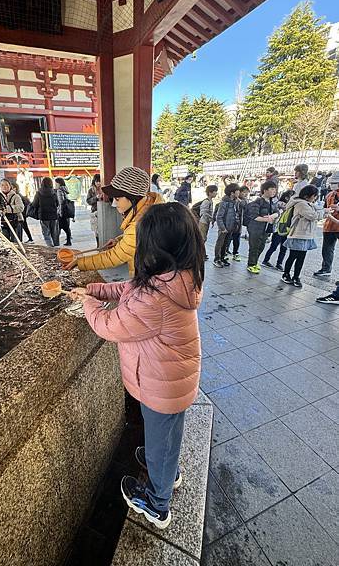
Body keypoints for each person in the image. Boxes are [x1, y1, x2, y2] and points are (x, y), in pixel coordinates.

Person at [69, 202, 204, 529]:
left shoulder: (156, 298)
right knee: (169, 433)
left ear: (154, 247)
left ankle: (158, 503)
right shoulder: (176, 275)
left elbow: (110, 325)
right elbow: (128, 289)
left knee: (160, 442)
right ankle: (166, 472)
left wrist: (89, 303)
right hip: (170, 381)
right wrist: (93, 288)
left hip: (162, 386)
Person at [64, 167, 163, 276]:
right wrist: (119, 240)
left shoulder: (139, 224)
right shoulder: (149, 204)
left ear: (133, 197)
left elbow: (113, 257)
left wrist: (80, 262)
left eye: (117, 198)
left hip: (149, 278)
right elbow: (137, 239)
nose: (114, 204)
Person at [281, 185, 321, 289]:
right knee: (293, 256)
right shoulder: (301, 204)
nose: (315, 198)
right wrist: (323, 211)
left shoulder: (308, 204)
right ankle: (286, 274)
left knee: (301, 258)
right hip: (298, 234)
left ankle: (296, 277)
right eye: (314, 196)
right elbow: (312, 216)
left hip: (306, 235)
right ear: (308, 196)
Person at [245, 181, 278, 274]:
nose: (274, 191)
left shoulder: (272, 202)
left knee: (261, 246)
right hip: (255, 228)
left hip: (266, 229)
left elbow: (277, 212)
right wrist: (267, 219)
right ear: (265, 190)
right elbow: (254, 216)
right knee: (254, 247)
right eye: (272, 189)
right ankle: (251, 264)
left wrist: (271, 217)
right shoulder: (257, 202)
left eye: (275, 189)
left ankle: (255, 262)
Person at [313, 171, 339, 278]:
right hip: (329, 226)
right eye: (331, 183)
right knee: (327, 249)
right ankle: (326, 268)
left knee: (328, 249)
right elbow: (324, 208)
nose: (332, 185)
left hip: (334, 224)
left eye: (334, 183)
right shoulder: (329, 195)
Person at [262, 189, 295, 270]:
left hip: (287, 229)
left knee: (284, 248)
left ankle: (279, 263)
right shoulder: (281, 204)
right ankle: (266, 260)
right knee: (274, 246)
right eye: (293, 197)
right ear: (287, 198)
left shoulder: (292, 206)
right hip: (278, 229)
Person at [30, 177, 59, 247]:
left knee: (46, 233)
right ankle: (56, 246)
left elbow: (34, 204)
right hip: (53, 216)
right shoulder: (54, 192)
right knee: (54, 232)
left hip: (43, 216)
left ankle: (50, 246)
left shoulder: (38, 193)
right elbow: (57, 203)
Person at [229, 185, 250, 262]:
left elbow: (245, 206)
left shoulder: (244, 201)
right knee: (229, 238)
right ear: (239, 192)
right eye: (244, 193)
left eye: (247, 193)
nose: (245, 194)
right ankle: (225, 251)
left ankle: (235, 253)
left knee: (236, 239)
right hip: (232, 223)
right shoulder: (233, 200)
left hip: (239, 224)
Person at [198, 185, 218, 259]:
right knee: (202, 239)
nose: (216, 193)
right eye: (215, 192)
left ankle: (202, 253)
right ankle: (200, 254)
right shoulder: (206, 201)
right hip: (203, 222)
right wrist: (211, 218)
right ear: (210, 193)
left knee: (203, 239)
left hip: (206, 222)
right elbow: (203, 212)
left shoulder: (210, 201)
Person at [86, 174, 103, 246]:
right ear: (94, 182)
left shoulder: (104, 188)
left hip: (103, 211)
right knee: (96, 230)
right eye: (97, 181)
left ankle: (102, 243)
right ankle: (98, 244)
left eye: (99, 181)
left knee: (102, 229)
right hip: (95, 212)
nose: (98, 183)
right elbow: (88, 201)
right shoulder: (91, 190)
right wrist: (96, 197)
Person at [55, 177, 72, 246]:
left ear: (59, 183)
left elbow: (61, 202)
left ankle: (57, 242)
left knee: (61, 227)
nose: (55, 184)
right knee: (66, 227)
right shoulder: (65, 189)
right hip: (66, 210)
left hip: (62, 212)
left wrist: (61, 213)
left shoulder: (59, 190)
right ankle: (68, 241)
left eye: (56, 183)